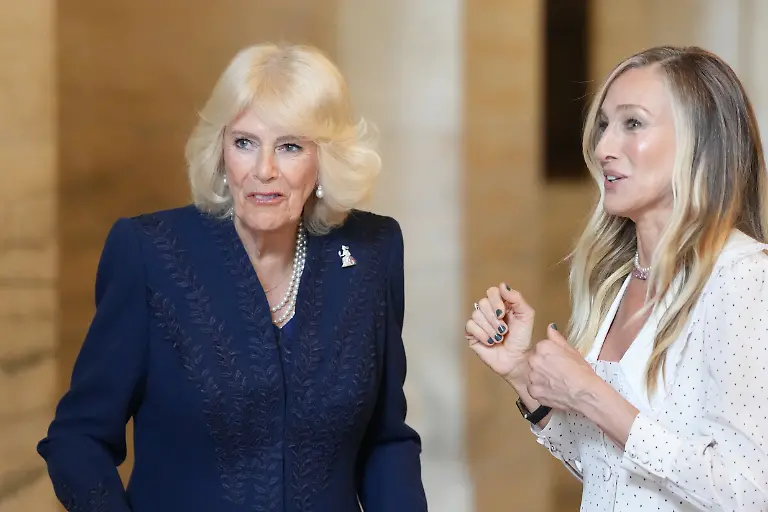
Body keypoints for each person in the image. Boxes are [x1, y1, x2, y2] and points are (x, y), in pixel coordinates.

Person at [38, 43, 427, 512]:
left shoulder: (371, 252)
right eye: (245, 142)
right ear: (221, 151)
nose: (264, 170)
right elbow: (77, 440)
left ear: (325, 159)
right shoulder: (149, 255)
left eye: (289, 146)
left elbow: (386, 440)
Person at [466, 46, 768, 511]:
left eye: (633, 123)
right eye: (605, 125)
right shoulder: (620, 282)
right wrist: (522, 373)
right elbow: (608, 468)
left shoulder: (743, 278)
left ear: (700, 141)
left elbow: (747, 492)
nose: (604, 148)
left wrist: (590, 394)